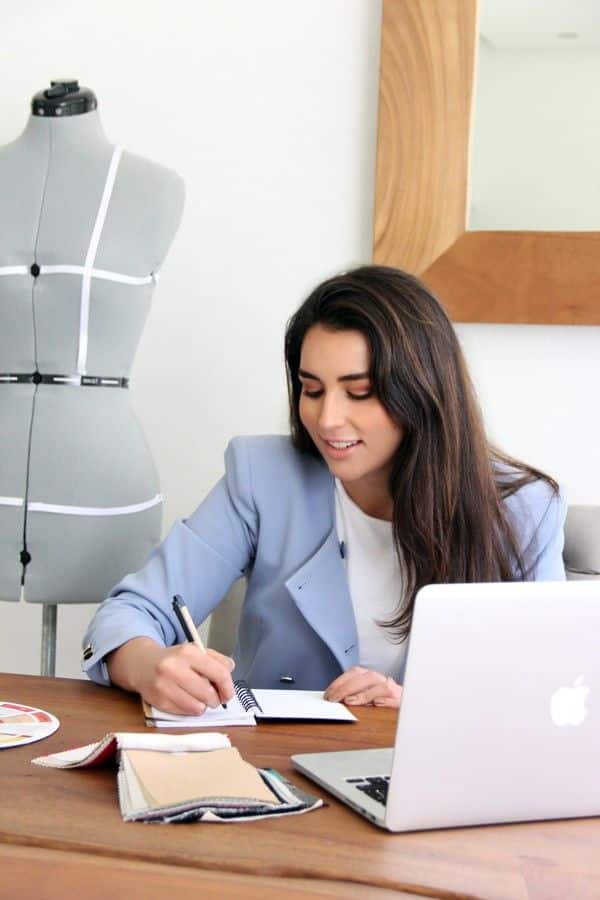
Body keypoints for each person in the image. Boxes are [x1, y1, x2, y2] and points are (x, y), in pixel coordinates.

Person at [82, 266, 566, 714]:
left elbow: (551, 688)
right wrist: (150, 666)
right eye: (312, 390)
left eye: (359, 392)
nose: (328, 419)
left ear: (423, 391)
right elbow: (128, 613)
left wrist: (420, 706)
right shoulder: (262, 477)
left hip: (438, 769)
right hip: (274, 763)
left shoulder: (524, 511)